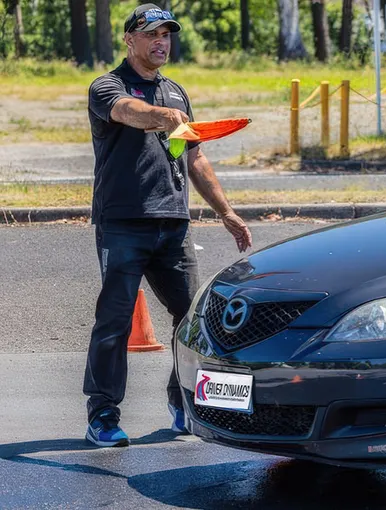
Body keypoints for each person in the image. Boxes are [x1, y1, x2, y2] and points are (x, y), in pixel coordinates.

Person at [84, 3, 252, 447]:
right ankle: (102, 415)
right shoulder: (107, 86)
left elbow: (193, 156)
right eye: (152, 34)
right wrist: (162, 117)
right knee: (115, 320)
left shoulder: (176, 91)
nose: (162, 42)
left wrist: (225, 211)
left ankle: (182, 400)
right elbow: (127, 113)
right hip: (123, 222)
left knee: (191, 318)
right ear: (130, 39)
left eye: (167, 34)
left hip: (173, 224)